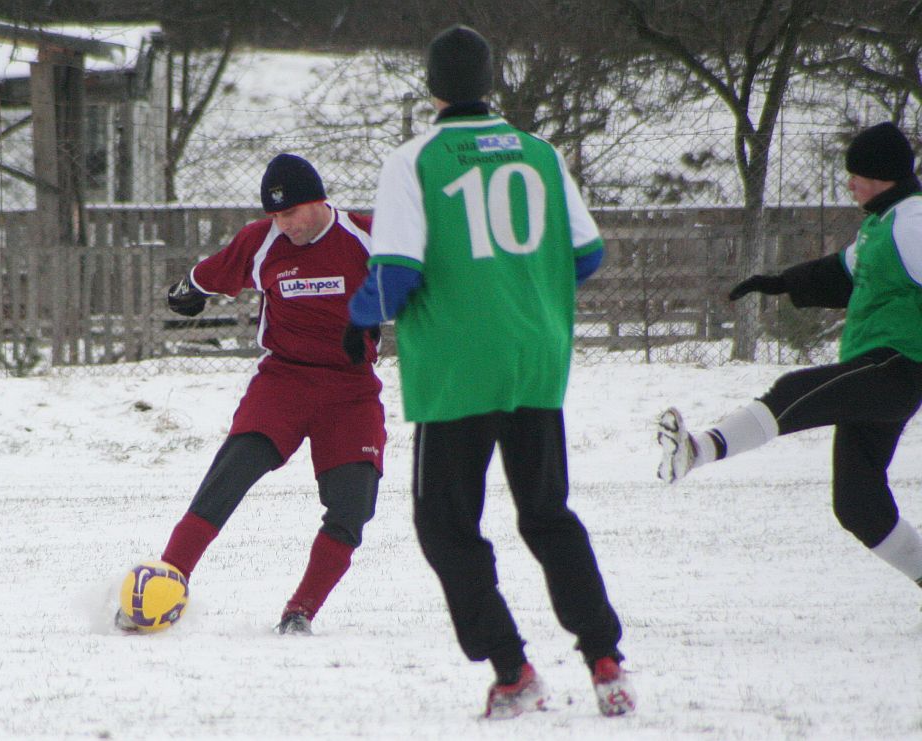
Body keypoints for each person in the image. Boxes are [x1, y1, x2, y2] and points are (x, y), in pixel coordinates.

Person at [347, 25, 635, 719]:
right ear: (492, 81)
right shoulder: (539, 154)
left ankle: (513, 669)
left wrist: (355, 319)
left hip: (457, 368)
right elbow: (588, 254)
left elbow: (396, 274)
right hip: (535, 360)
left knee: (445, 525)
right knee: (547, 513)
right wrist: (521, 283)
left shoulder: (414, 160)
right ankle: (605, 659)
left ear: (433, 86)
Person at [117, 153, 386, 636]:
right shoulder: (262, 242)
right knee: (232, 469)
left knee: (352, 505)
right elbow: (213, 273)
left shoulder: (367, 236)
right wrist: (188, 289)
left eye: (292, 214)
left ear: (319, 201)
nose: (285, 226)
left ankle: (299, 612)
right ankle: (165, 581)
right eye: (276, 216)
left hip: (350, 390)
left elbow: (419, 275)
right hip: (284, 381)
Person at [657, 121, 922, 598]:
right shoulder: (882, 224)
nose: (849, 183)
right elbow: (843, 274)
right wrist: (777, 282)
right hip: (878, 369)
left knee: (794, 392)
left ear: (881, 174)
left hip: (899, 366)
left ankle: (697, 450)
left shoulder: (913, 221)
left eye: (855, 173)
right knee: (858, 506)